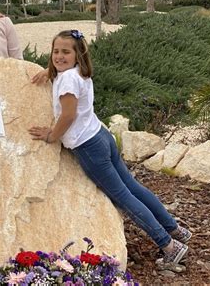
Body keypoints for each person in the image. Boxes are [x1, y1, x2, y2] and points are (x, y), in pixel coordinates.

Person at [28, 30, 191, 266]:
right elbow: (66, 81)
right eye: (56, 52)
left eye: (66, 52)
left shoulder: (67, 80)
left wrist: (52, 135)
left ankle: (168, 245)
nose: (59, 56)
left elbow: (69, 114)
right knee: (134, 187)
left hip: (88, 147)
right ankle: (176, 229)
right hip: (102, 136)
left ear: (77, 54)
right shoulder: (77, 73)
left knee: (124, 197)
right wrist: (49, 71)